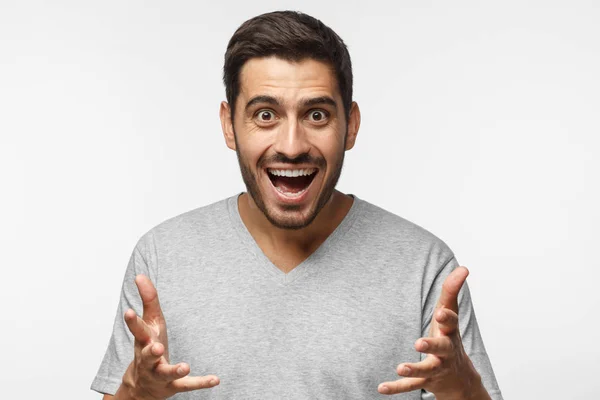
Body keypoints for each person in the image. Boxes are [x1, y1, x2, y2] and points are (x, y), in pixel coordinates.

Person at [91, 10, 503, 400]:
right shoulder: (162, 257)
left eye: (317, 115)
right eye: (266, 114)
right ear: (229, 125)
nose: (292, 147)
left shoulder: (423, 265)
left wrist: (463, 388)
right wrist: (135, 393)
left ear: (351, 125)